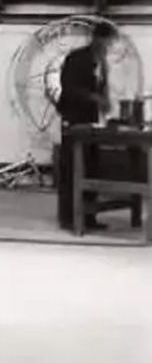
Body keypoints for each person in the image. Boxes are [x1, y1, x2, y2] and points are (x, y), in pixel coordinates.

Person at [56, 21, 119, 229]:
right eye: (108, 42)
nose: (109, 47)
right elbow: (70, 88)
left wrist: (105, 100)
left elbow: (100, 87)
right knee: (72, 168)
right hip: (74, 120)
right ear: (98, 38)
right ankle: (68, 218)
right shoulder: (77, 58)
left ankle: (89, 216)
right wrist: (95, 98)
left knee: (91, 168)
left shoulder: (100, 62)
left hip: (90, 121)